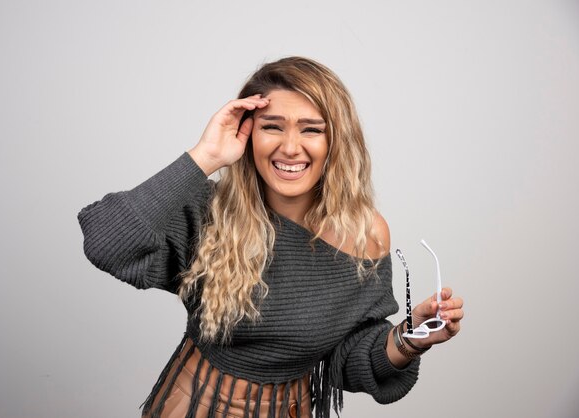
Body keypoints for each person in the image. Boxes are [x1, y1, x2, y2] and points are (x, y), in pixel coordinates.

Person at [77, 56, 464, 418]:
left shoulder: (366, 232)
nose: (290, 147)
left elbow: (350, 357)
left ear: (336, 142)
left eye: (311, 129)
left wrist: (410, 338)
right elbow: (107, 242)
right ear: (248, 135)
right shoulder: (210, 210)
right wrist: (205, 155)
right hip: (194, 407)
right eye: (272, 127)